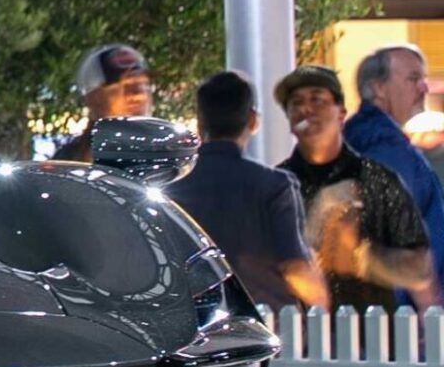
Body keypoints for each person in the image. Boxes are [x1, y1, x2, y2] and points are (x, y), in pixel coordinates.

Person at [275, 65, 439, 312]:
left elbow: (419, 269)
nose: (305, 109)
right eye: (295, 103)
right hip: (298, 340)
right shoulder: (277, 185)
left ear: (341, 112)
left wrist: (361, 257)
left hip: (374, 338)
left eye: (317, 100)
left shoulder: (377, 180)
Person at [165, 71, 329, 311]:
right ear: (253, 121)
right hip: (266, 325)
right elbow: (295, 269)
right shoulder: (275, 185)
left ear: (200, 121)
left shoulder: (171, 187)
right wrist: (323, 304)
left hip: (196, 326)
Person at [343, 42, 444, 292]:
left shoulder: (359, 139)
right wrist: (429, 306)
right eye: (413, 78)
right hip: (401, 315)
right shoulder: (389, 152)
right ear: (379, 88)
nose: (424, 88)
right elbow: (401, 240)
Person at [53, 43, 153, 162]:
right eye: (125, 86)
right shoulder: (67, 164)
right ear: (93, 97)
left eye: (144, 85)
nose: (139, 95)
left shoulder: (169, 159)